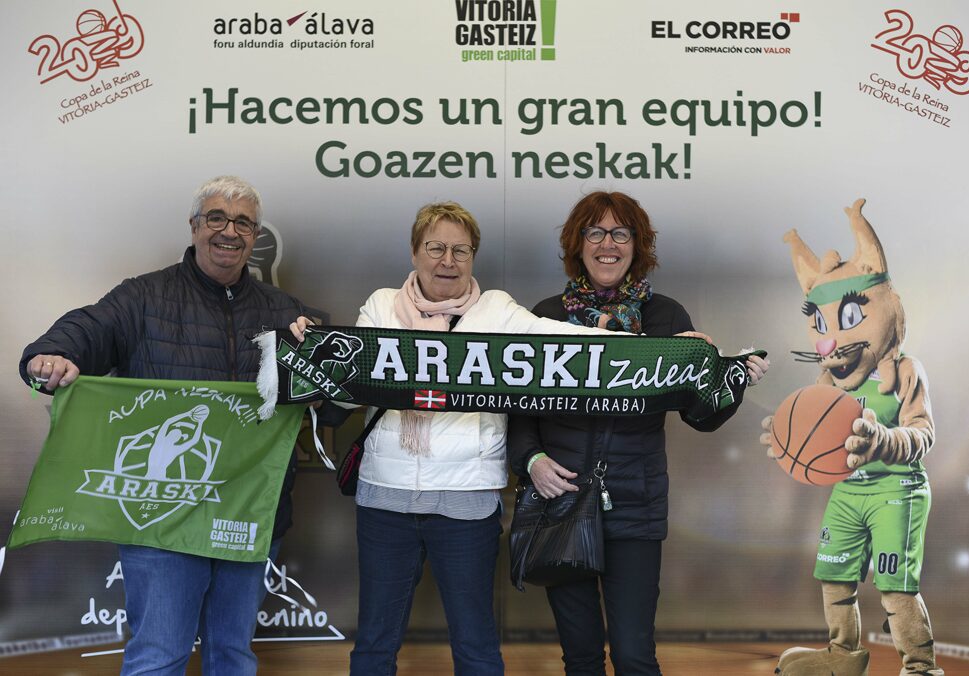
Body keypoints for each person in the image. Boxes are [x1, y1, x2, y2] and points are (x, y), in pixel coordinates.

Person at [289, 201, 617, 676]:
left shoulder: (496, 310)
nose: (448, 260)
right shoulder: (381, 305)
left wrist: (651, 347)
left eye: (460, 250)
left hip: (467, 502)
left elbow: (558, 340)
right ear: (415, 252)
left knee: (476, 644)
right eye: (436, 247)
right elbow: (347, 376)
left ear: (473, 256)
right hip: (386, 499)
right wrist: (308, 346)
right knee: (375, 644)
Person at [20, 176, 306, 676]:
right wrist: (53, 355)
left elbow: (338, 399)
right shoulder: (143, 297)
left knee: (233, 659)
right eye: (216, 217)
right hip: (162, 518)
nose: (229, 231)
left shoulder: (286, 313)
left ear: (255, 235)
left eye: (243, 222)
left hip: (249, 512)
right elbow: (87, 328)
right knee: (159, 657)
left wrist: (322, 358)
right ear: (195, 226)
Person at [507, 191, 769, 676]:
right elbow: (518, 410)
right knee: (581, 658)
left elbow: (700, 415)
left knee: (633, 656)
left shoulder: (667, 318)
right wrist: (532, 463)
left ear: (637, 245)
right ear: (578, 244)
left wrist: (730, 382)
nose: (608, 244)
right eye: (595, 232)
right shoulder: (542, 317)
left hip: (635, 503)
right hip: (560, 500)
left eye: (621, 233)